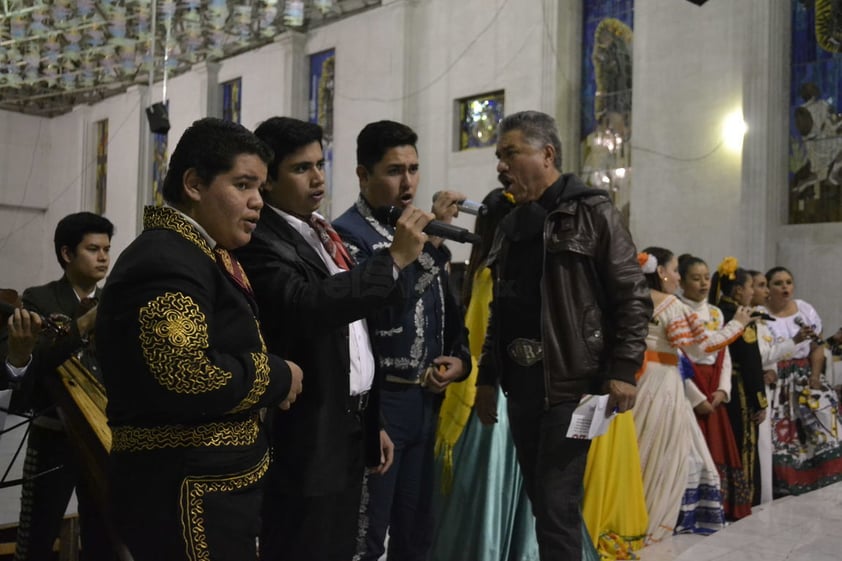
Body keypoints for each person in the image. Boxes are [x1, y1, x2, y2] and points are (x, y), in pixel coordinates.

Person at [95, 118, 303, 561]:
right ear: (193, 183)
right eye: (243, 184)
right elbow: (186, 374)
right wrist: (278, 375)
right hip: (186, 490)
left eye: (260, 189)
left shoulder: (196, 254)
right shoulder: (165, 259)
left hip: (210, 486)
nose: (256, 202)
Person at [234, 117, 431, 561]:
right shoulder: (261, 240)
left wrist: (372, 417)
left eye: (321, 164)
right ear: (267, 181)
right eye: (302, 168)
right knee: (307, 544)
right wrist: (392, 261)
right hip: (307, 428)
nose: (319, 178)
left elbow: (360, 332)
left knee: (344, 545)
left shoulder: (320, 231)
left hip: (350, 420)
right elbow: (310, 304)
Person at [473, 110, 651, 561]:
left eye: (510, 153)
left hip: (572, 385)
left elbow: (631, 294)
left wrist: (625, 368)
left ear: (547, 154)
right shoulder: (512, 225)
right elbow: (501, 309)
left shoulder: (593, 212)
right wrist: (487, 379)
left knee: (556, 503)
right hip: (523, 385)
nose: (501, 166)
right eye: (499, 156)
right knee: (543, 501)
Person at [332, 120, 471, 561]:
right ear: (362, 174)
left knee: (417, 530)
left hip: (425, 403)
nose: (408, 181)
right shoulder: (347, 236)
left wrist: (459, 360)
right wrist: (418, 249)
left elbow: (448, 311)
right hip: (379, 404)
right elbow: (375, 313)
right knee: (367, 533)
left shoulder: (422, 232)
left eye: (413, 168)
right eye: (394, 170)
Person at [0, 212, 115, 561]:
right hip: (53, 435)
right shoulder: (40, 299)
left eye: (107, 249)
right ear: (67, 254)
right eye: (93, 249)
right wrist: (86, 323)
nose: (103, 257)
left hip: (104, 435)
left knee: (104, 537)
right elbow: (39, 362)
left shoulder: (116, 300)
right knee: (37, 536)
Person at [632, 247, 751, 542]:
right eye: (674, 270)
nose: (675, 276)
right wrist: (738, 324)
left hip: (634, 379)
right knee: (664, 451)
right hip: (664, 380)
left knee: (637, 443)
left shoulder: (627, 300)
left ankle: (629, 510)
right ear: (661, 273)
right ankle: (652, 517)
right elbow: (702, 347)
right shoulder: (671, 304)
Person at [677, 254, 751, 521]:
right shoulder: (677, 310)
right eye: (695, 279)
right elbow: (683, 356)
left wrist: (723, 389)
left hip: (714, 384)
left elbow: (724, 354)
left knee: (718, 447)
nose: (704, 283)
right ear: (681, 282)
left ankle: (721, 505)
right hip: (691, 383)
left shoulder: (716, 312)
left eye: (707, 277)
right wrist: (696, 397)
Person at [762, 266, 842, 496]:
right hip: (779, 380)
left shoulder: (804, 310)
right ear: (768, 288)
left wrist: (815, 376)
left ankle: (825, 477)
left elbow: (817, 346)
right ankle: (788, 483)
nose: (785, 287)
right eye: (778, 283)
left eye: (788, 282)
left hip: (805, 375)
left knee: (823, 421)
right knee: (785, 432)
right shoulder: (762, 314)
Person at [710, 258, 768, 508]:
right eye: (749, 287)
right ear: (738, 290)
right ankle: (744, 499)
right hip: (741, 390)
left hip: (719, 387)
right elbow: (752, 363)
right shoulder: (740, 316)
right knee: (744, 445)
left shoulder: (715, 312)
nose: (752, 292)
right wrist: (760, 401)